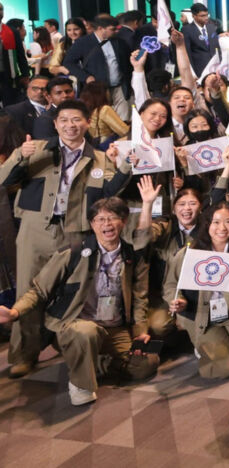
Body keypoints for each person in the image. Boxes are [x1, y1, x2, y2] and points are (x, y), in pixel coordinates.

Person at [0, 100, 131, 377]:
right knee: (28, 290)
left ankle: (66, 343)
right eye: (64, 120)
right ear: (55, 123)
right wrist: (19, 156)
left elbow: (109, 193)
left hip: (76, 231)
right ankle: (24, 354)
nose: (70, 125)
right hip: (36, 229)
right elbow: (4, 181)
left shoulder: (100, 158)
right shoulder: (35, 149)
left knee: (73, 291)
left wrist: (124, 167)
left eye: (76, 120)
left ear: (87, 123)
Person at [0, 197, 158, 405]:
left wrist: (140, 332)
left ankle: (92, 363)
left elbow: (139, 297)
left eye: (112, 218)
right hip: (75, 325)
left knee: (146, 364)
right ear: (92, 224)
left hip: (114, 327)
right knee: (86, 332)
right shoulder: (73, 252)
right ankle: (80, 386)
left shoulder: (132, 256)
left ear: (124, 221)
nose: (107, 224)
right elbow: (38, 290)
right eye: (100, 219)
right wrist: (14, 312)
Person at [165, 202, 229, 379]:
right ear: (207, 224)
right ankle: (205, 347)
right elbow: (170, 285)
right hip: (201, 315)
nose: (222, 228)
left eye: (228, 222)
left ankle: (226, 346)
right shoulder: (188, 253)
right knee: (224, 368)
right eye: (216, 222)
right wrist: (179, 300)